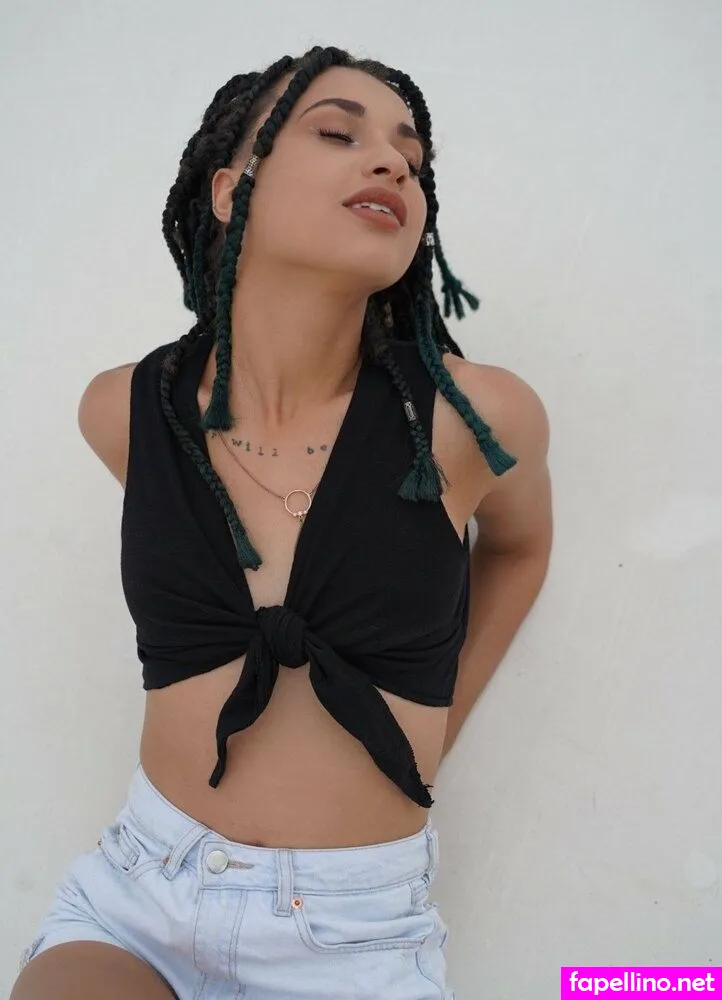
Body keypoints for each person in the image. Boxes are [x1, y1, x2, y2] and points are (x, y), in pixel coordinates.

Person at [12, 45, 553, 1000]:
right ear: (231, 191)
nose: (390, 163)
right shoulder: (127, 411)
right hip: (141, 893)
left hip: (354, 933)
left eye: (411, 158)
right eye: (337, 132)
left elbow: (519, 547)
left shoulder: (474, 420)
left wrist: (436, 726)